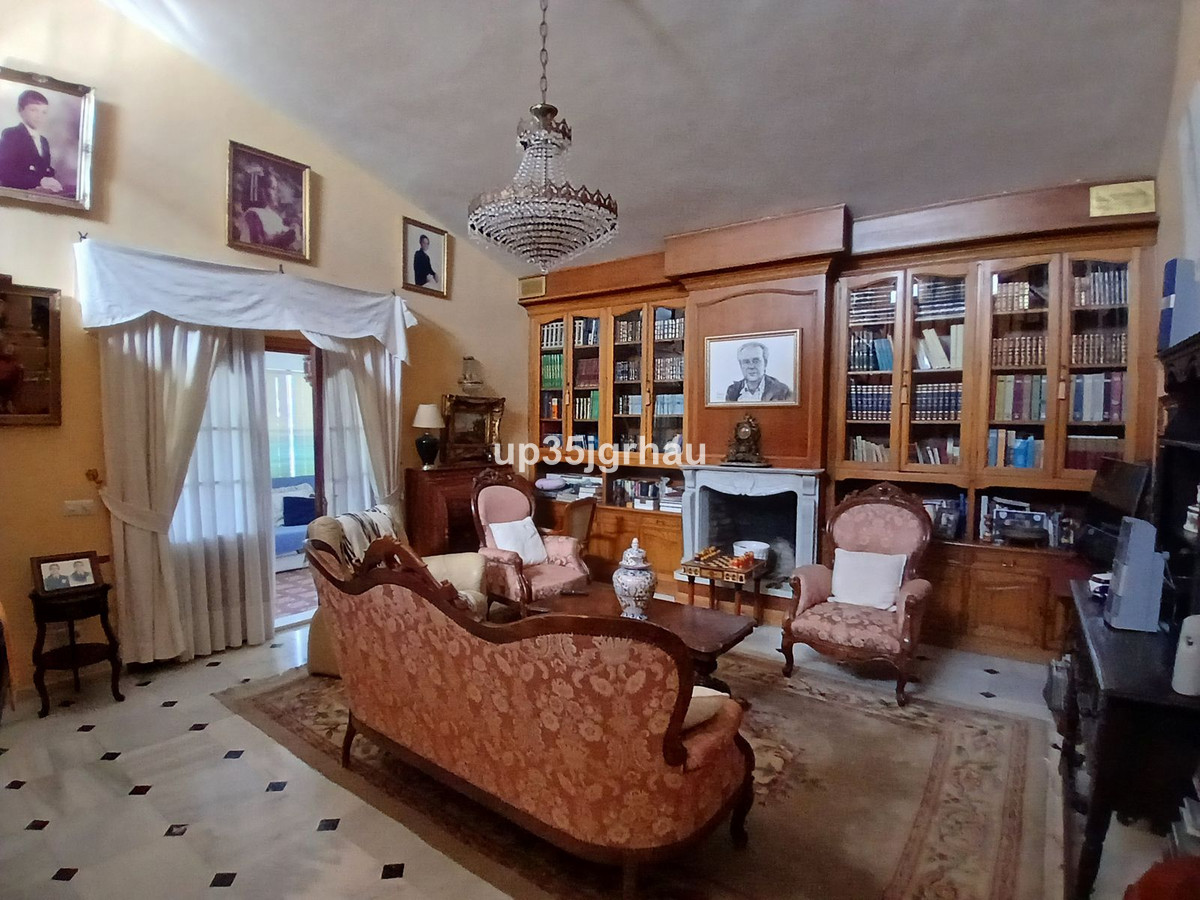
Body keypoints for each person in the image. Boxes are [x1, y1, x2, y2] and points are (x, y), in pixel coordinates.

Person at [0, 90, 62, 193]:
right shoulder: (11, 134)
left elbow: (44, 169)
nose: (39, 116)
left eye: (44, 112)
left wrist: (51, 179)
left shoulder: (43, 141)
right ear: (20, 110)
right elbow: (5, 172)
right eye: (33, 110)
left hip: (39, 194)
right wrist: (39, 181)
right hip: (17, 193)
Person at [243, 169, 300, 251]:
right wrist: (284, 239)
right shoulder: (253, 213)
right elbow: (258, 246)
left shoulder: (274, 215)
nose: (276, 193)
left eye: (276, 189)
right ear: (261, 190)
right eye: (273, 188)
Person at [725, 341, 793, 402]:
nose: (751, 366)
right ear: (740, 365)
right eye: (746, 362)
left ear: (765, 363)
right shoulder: (732, 391)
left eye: (756, 361)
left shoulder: (782, 391)